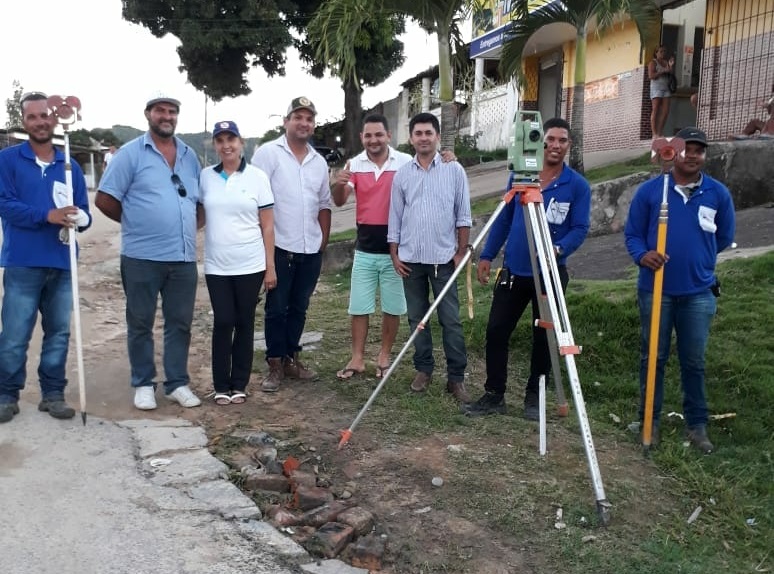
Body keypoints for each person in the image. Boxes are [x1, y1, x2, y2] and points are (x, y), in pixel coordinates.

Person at [463, 117, 591, 419]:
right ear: (538, 141)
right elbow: (505, 218)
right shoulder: (520, 177)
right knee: (496, 330)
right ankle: (494, 394)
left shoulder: (577, 186)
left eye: (562, 140)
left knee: (544, 337)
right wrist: (487, 255)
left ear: (569, 145)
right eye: (550, 139)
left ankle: (535, 396)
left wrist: (557, 250)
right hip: (514, 270)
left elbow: (580, 227)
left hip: (549, 273)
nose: (555, 145)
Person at [624, 127, 735, 454]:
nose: (692, 155)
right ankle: (649, 422)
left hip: (698, 294)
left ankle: (697, 426)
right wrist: (643, 255)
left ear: (705, 155)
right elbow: (632, 235)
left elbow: (724, 237)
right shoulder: (651, 192)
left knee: (693, 361)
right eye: (686, 149)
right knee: (653, 357)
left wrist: (698, 260)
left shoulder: (717, 194)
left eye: (699, 150)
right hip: (655, 290)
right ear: (673, 152)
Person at [96, 92, 203, 411]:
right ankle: (143, 383)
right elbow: (104, 199)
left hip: (183, 258)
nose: (166, 116)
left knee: (180, 323)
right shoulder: (129, 154)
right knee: (140, 322)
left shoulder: (189, 154)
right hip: (141, 256)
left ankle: (176, 383)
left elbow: (198, 201)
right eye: (160, 110)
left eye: (172, 111)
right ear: (148, 115)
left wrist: (186, 226)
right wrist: (136, 222)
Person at [0, 91, 92, 423]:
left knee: (59, 333)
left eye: (45, 116)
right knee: (14, 334)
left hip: (62, 262)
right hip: (23, 262)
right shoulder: (8, 160)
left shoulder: (69, 166)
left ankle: (52, 394)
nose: (40, 122)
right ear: (24, 122)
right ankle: (6, 394)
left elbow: (84, 213)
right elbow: (6, 206)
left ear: (54, 119)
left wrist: (81, 219)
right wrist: (47, 215)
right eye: (33, 117)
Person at [387, 112, 472, 403]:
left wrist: (461, 251)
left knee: (451, 320)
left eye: (428, 133)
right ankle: (423, 369)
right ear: (411, 138)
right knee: (416, 319)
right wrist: (394, 253)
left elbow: (463, 215)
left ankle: (456, 378)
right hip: (411, 261)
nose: (423, 138)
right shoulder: (402, 174)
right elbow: (395, 218)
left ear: (437, 136)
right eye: (418, 133)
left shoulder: (454, 170)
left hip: (443, 260)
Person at [250, 97, 331, 392]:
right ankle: (274, 363)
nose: (304, 123)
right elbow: (256, 201)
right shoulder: (268, 154)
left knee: (300, 307)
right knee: (276, 307)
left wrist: (323, 241)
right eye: (298, 117)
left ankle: (291, 358)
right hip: (280, 246)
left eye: (309, 118)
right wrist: (263, 250)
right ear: (286, 121)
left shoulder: (318, 162)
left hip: (310, 249)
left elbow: (324, 203)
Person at [199, 121, 277, 405]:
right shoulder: (205, 177)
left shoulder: (257, 177)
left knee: (244, 322)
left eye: (230, 138)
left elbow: (267, 226)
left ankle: (239, 383)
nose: (226, 145)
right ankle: (221, 384)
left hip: (250, 264)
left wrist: (270, 266)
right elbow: (198, 216)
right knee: (223, 321)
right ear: (215, 145)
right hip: (217, 265)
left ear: (241, 142)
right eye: (220, 140)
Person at [331, 114, 411, 380]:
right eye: (368, 136)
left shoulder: (405, 162)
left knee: (393, 307)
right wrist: (338, 183)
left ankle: (384, 356)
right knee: (359, 307)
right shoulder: (354, 164)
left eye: (378, 135)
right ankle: (357, 358)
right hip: (364, 249)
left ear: (388, 135)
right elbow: (340, 201)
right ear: (361, 138)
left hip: (396, 252)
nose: (373, 140)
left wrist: (448, 158)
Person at [648, 45, 675, 138]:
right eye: (661, 51)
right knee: (655, 109)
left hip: (666, 88)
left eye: (664, 51)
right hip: (656, 88)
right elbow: (651, 76)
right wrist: (663, 71)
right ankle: (654, 133)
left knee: (665, 111)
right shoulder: (653, 62)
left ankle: (659, 132)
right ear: (656, 53)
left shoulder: (666, 62)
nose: (663, 53)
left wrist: (671, 66)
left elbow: (670, 74)